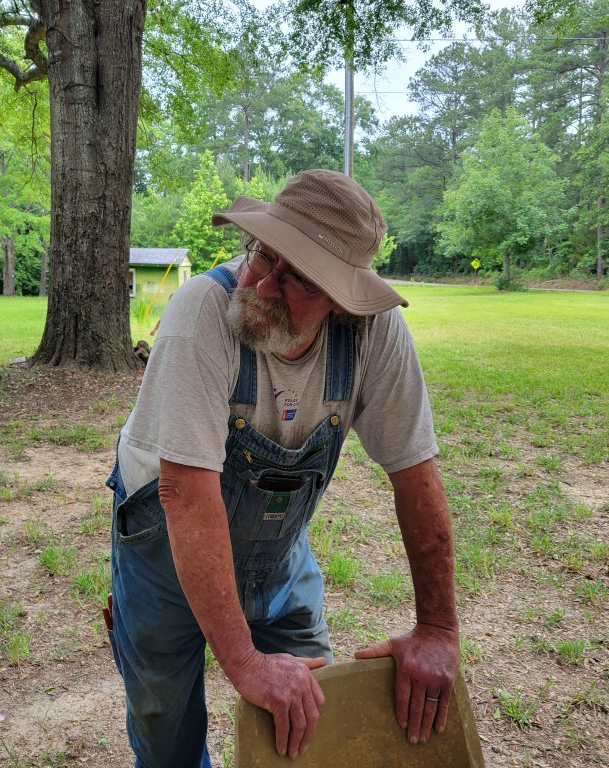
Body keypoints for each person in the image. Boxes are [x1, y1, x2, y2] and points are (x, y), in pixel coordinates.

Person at [105, 169, 459, 767]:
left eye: (297, 280)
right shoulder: (201, 314)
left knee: (310, 723)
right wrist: (244, 663)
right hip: (164, 540)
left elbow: (415, 475)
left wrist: (438, 629)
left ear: (344, 302)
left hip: (277, 547)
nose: (262, 285)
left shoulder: (375, 336)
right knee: (165, 731)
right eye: (263, 255)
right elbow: (185, 495)